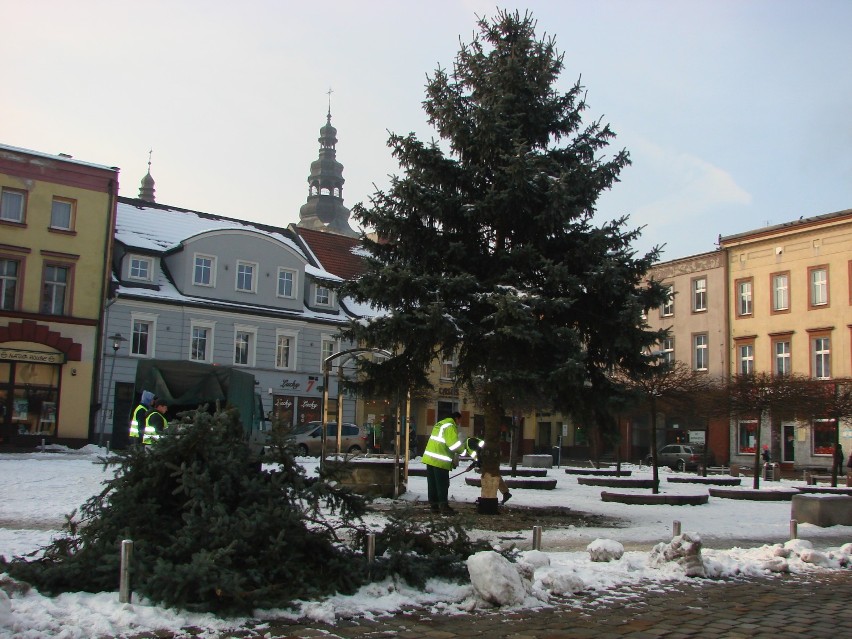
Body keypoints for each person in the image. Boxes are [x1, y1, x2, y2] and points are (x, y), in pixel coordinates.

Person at [423, 411, 463, 515]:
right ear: (456, 418)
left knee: (432, 484)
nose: (459, 423)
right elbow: (453, 444)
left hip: (430, 458)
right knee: (442, 484)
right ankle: (444, 507)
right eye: (459, 421)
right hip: (440, 460)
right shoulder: (450, 426)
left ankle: (434, 506)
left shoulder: (440, 424)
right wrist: (463, 451)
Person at [465, 436, 512, 504]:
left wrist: (472, 466)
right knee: (494, 476)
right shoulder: (473, 442)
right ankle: (505, 493)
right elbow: (479, 456)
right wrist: (472, 466)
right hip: (488, 461)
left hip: (488, 462)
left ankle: (500, 494)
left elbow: (479, 455)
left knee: (492, 477)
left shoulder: (471, 443)